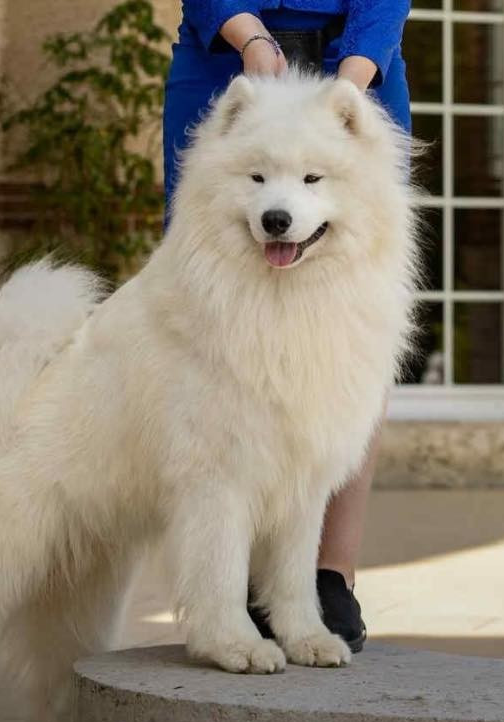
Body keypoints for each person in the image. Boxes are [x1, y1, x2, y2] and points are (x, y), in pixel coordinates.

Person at [163, 0, 412, 653]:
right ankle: (235, 572)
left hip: (357, 71)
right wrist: (248, 37)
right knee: (215, 334)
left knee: (346, 343)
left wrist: (343, 93)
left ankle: (325, 573)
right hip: (227, 62)